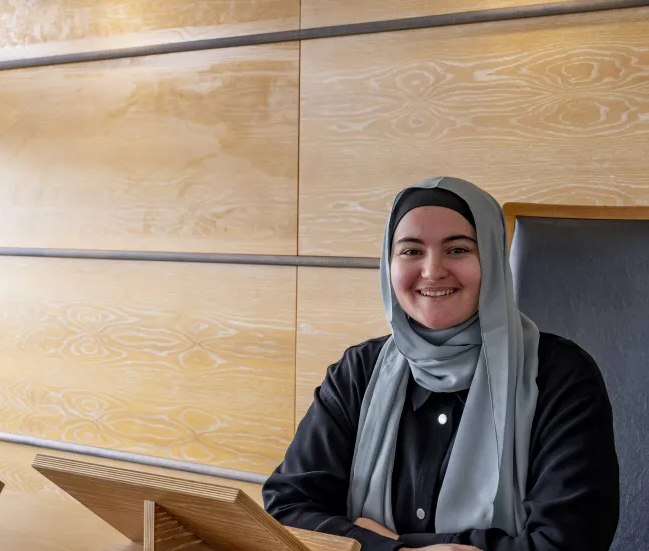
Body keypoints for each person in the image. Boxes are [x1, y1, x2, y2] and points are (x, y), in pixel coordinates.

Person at [263, 177, 620, 551]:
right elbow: (287, 511)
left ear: (493, 260)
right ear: (389, 265)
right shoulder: (358, 373)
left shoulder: (559, 378)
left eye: (458, 250)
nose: (432, 271)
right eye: (411, 251)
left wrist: (386, 542)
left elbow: (566, 544)